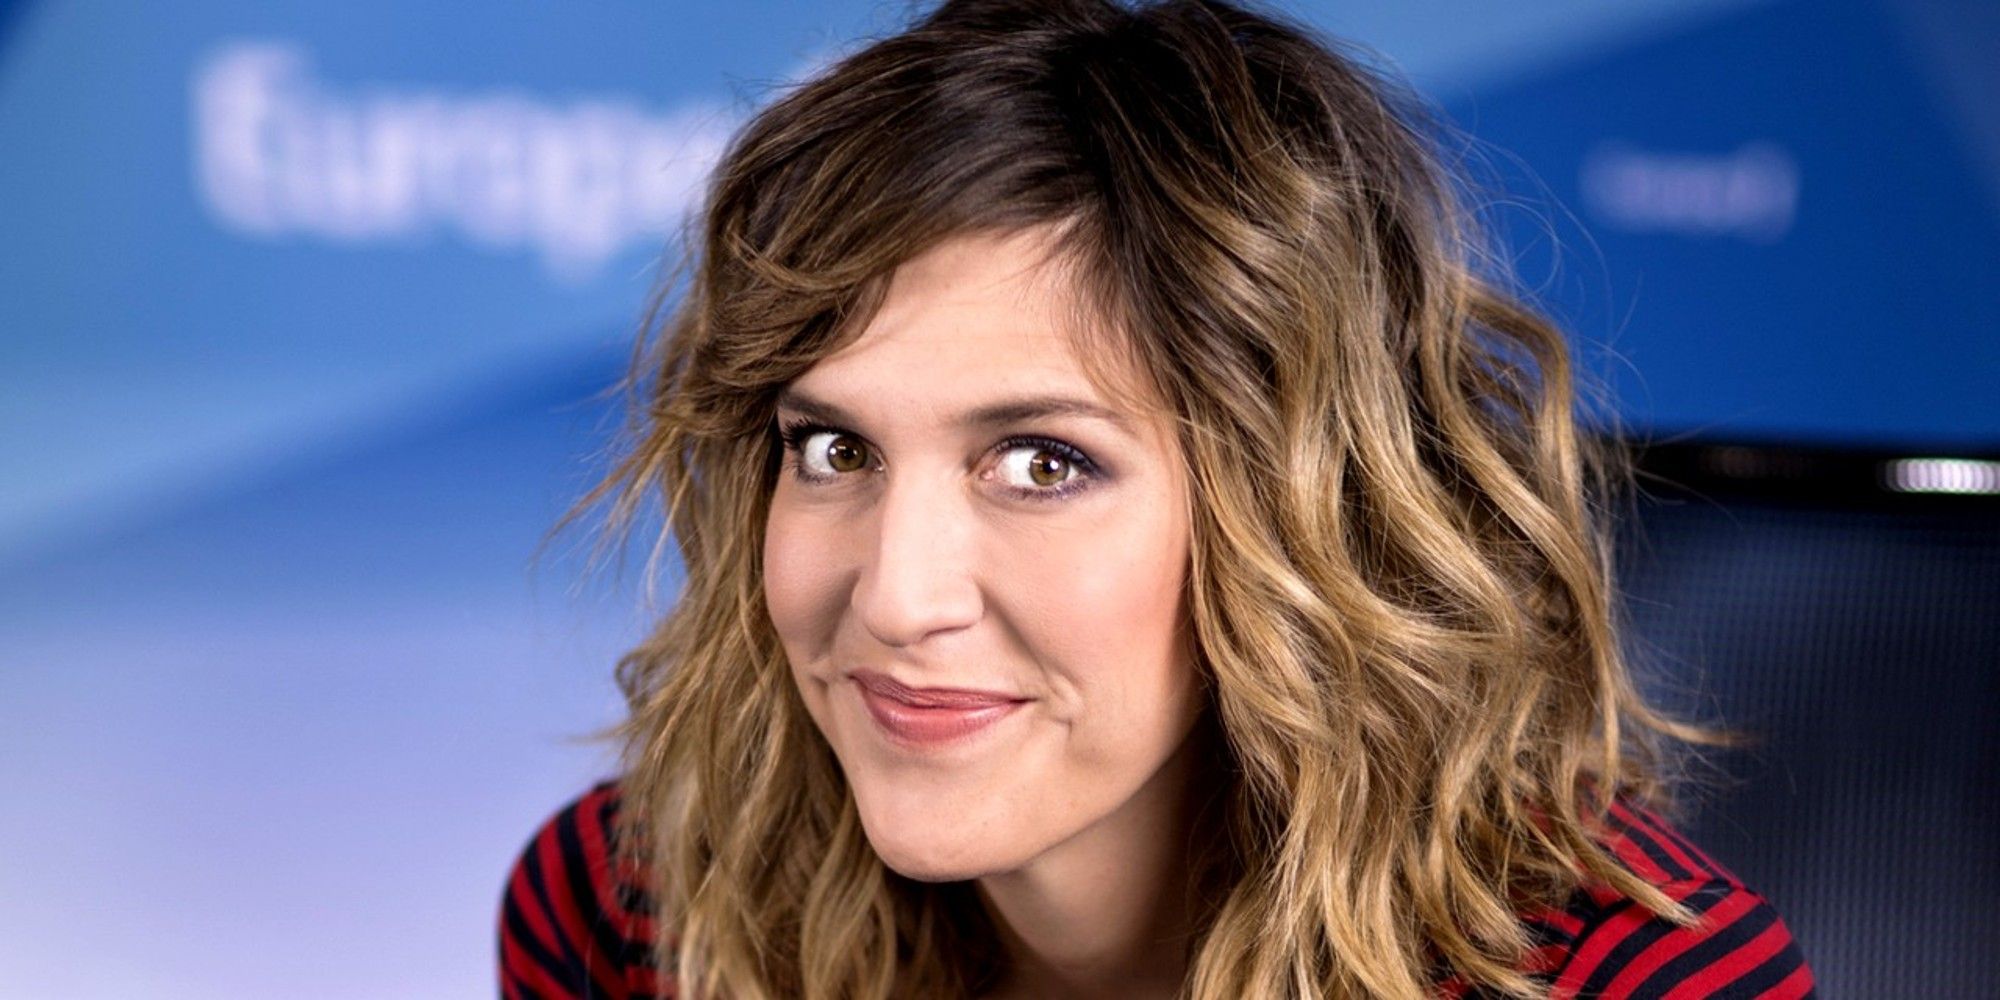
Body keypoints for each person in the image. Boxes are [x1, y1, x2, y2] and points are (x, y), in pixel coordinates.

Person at [498, 1, 1815, 997]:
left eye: (1043, 464)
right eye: (835, 451)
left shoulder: (1639, 988)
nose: (896, 598)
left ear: (1301, 517)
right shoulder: (631, 912)